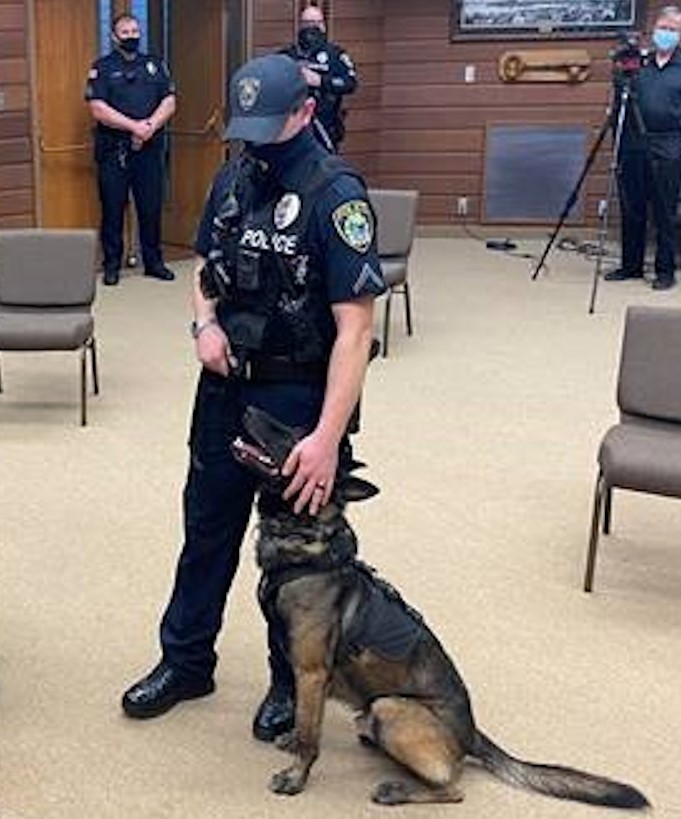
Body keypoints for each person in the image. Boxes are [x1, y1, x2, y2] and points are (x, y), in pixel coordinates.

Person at [120, 53, 385, 742]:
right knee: (205, 531)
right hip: (222, 387)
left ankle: (285, 679)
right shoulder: (232, 176)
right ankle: (184, 662)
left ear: (304, 110)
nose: (258, 138)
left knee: (294, 552)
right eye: (249, 126)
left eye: (272, 123)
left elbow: (356, 330)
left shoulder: (337, 193)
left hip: (296, 393)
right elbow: (206, 268)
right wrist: (203, 324)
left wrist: (326, 438)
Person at [85, 13, 176, 286]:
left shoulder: (155, 65)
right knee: (113, 208)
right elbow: (98, 108)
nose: (131, 36)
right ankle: (112, 265)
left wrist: (149, 125)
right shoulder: (101, 67)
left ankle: (154, 262)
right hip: (115, 149)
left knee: (151, 207)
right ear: (114, 37)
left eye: (135, 31)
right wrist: (133, 127)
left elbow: (169, 101)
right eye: (125, 32)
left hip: (149, 148)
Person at [605, 6, 681, 291]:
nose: (667, 33)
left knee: (665, 209)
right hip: (634, 143)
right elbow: (621, 101)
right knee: (632, 206)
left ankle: (665, 269)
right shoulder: (640, 65)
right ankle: (631, 265)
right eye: (664, 27)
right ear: (654, 29)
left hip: (670, 144)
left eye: (674, 30)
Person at [280, 1, 358, 151]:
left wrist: (320, 81)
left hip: (325, 127)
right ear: (300, 26)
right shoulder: (288, 55)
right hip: (294, 127)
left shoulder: (336, 55)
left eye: (316, 22)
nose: (312, 28)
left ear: (323, 25)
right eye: (307, 23)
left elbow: (350, 83)